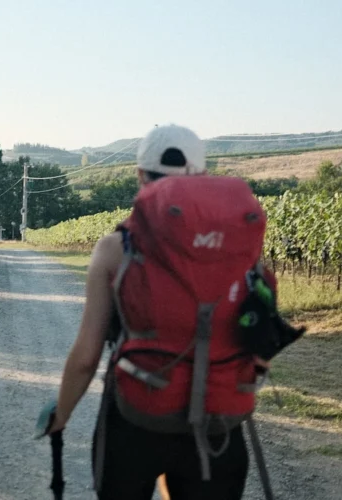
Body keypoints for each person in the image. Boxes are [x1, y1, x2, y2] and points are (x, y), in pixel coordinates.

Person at [47, 124, 269, 499]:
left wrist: (62, 416)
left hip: (135, 419)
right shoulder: (241, 247)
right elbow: (259, 340)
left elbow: (86, 356)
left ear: (139, 175)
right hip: (218, 427)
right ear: (202, 175)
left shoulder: (116, 248)